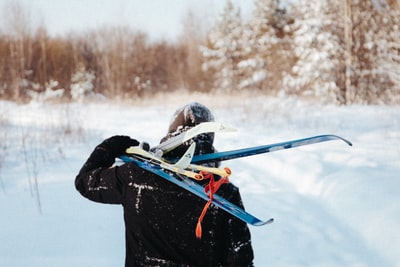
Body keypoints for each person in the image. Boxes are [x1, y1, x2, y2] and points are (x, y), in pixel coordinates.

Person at [75, 102, 254, 267]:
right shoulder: (224, 194)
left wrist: (112, 145)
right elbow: (241, 260)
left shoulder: (134, 177)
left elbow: (85, 182)